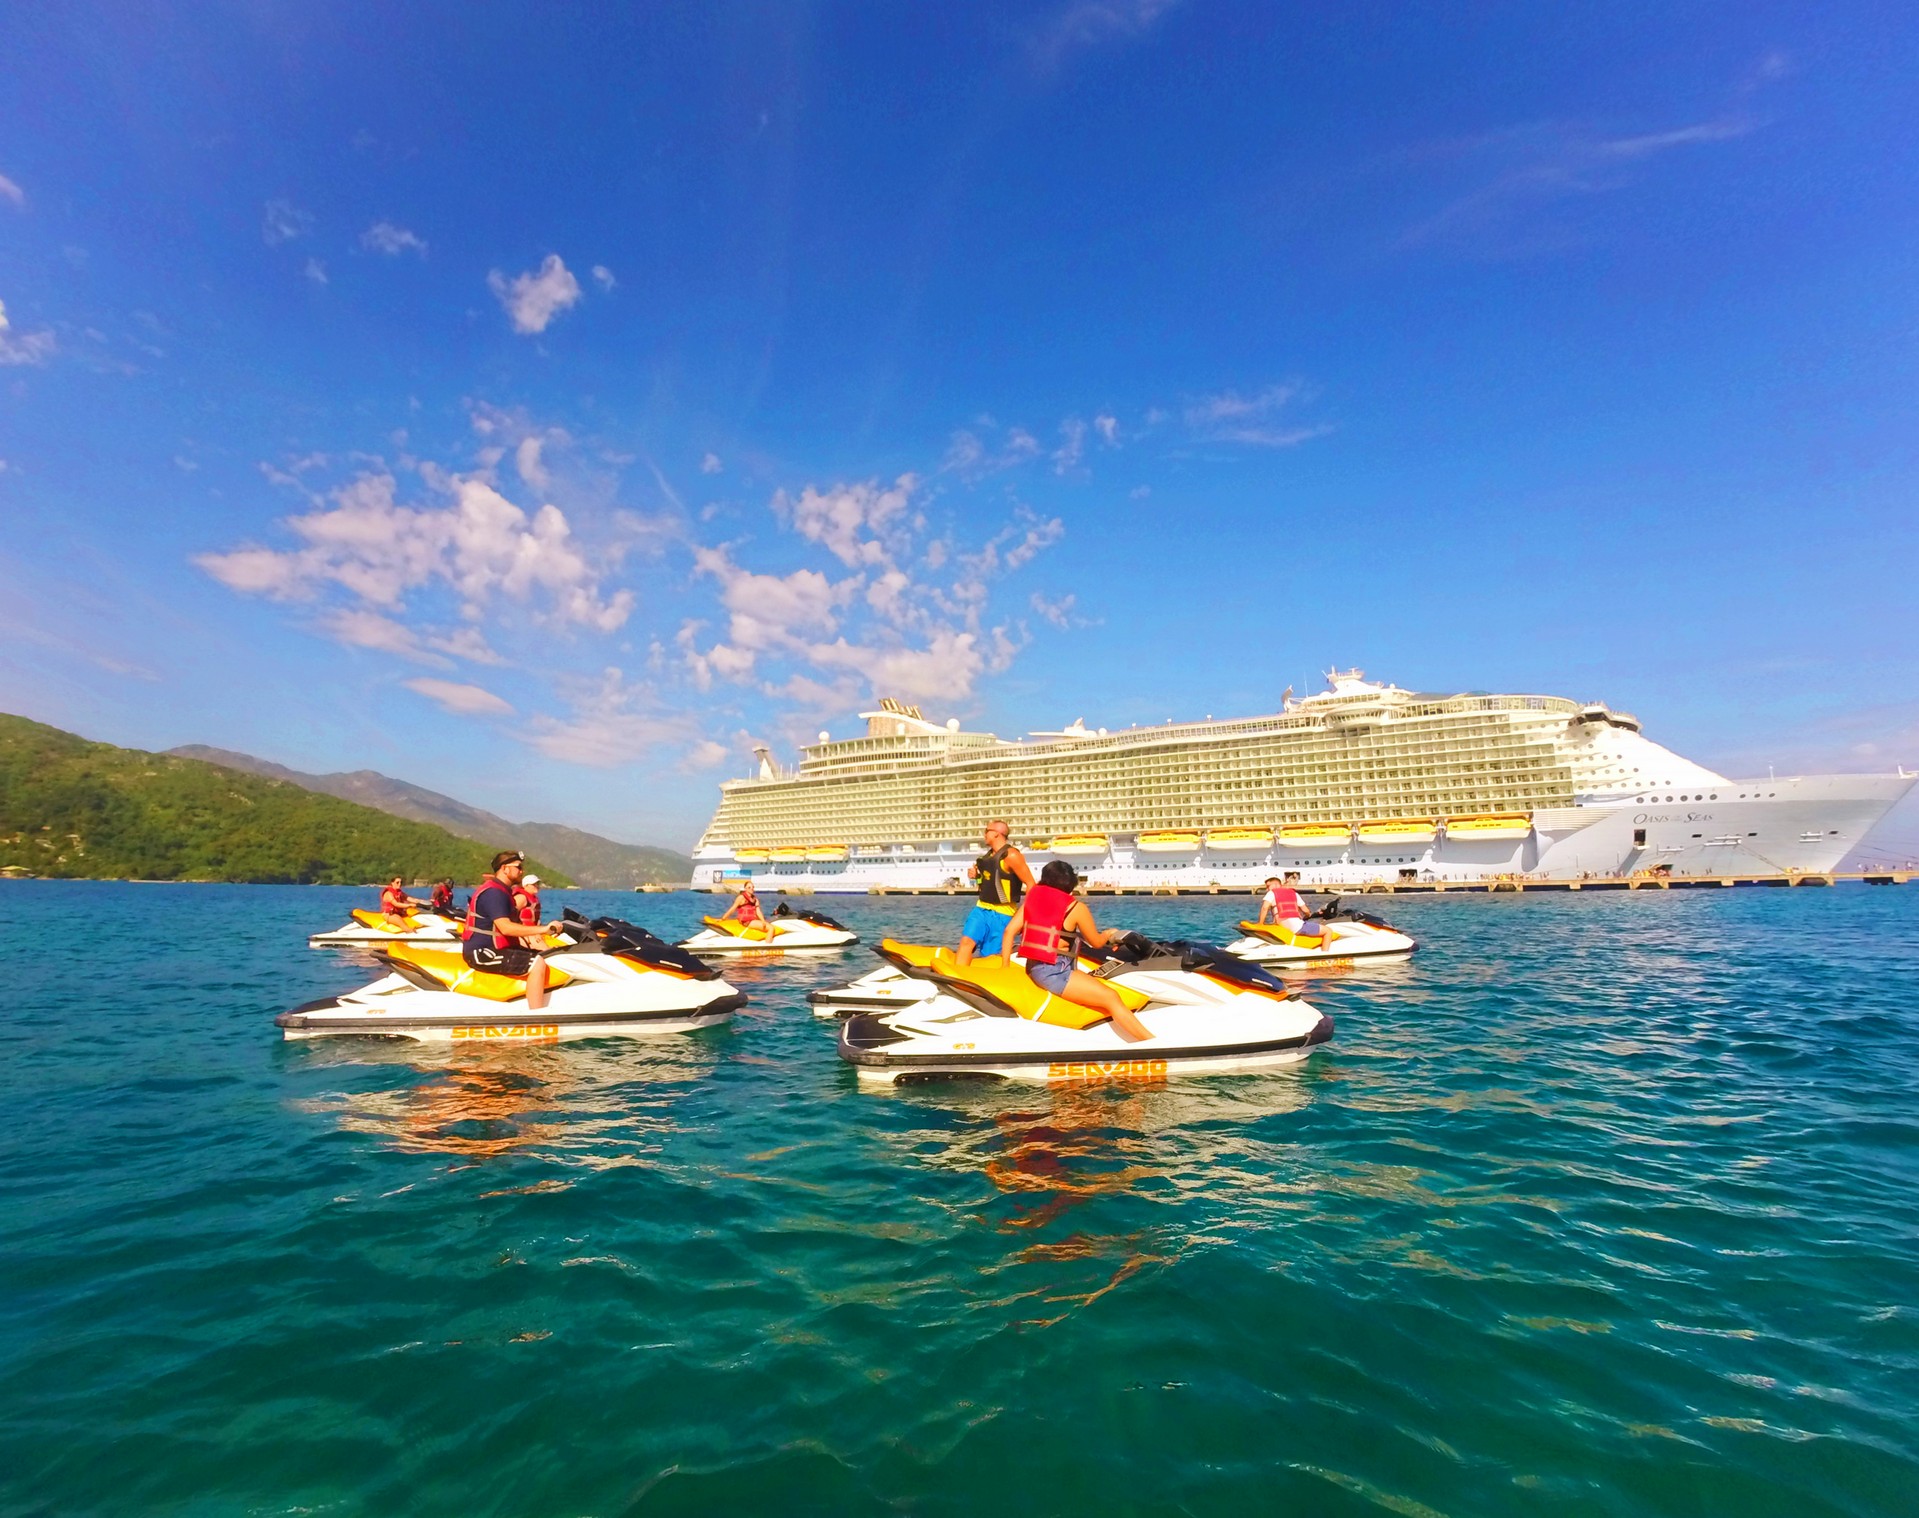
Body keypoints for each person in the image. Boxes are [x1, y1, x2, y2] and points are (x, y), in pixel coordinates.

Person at [1003, 860, 1153, 1042]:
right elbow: (1096, 942)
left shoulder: (1033, 899)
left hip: (1035, 967)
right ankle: (1152, 1043)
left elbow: (1009, 931)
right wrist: (1108, 934)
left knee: (1095, 983)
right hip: (1055, 972)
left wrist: (1006, 967)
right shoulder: (1076, 908)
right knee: (1111, 997)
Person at [461, 851, 565, 1010]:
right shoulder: (494, 893)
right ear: (504, 868)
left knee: (546, 955)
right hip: (482, 952)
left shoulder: (504, 891)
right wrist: (544, 929)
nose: (521, 871)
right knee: (537, 963)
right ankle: (536, 1016)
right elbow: (505, 927)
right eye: (518, 867)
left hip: (496, 948)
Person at [958, 819, 1034, 965]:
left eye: (987, 831)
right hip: (981, 908)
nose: (984, 834)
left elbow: (1031, 884)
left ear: (997, 834)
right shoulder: (986, 858)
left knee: (990, 956)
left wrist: (1023, 915)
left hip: (1003, 914)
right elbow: (989, 884)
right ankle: (956, 980)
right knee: (966, 942)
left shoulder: (1011, 856)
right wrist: (977, 877)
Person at [1256, 872, 1327, 945]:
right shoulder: (1294, 893)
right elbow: (1306, 911)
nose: (1267, 889)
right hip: (1295, 927)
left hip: (1281, 925)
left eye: (1268, 886)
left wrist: (1260, 923)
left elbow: (1265, 908)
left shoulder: (1271, 893)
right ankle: (1325, 954)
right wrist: (1308, 915)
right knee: (1328, 931)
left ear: (1276, 885)